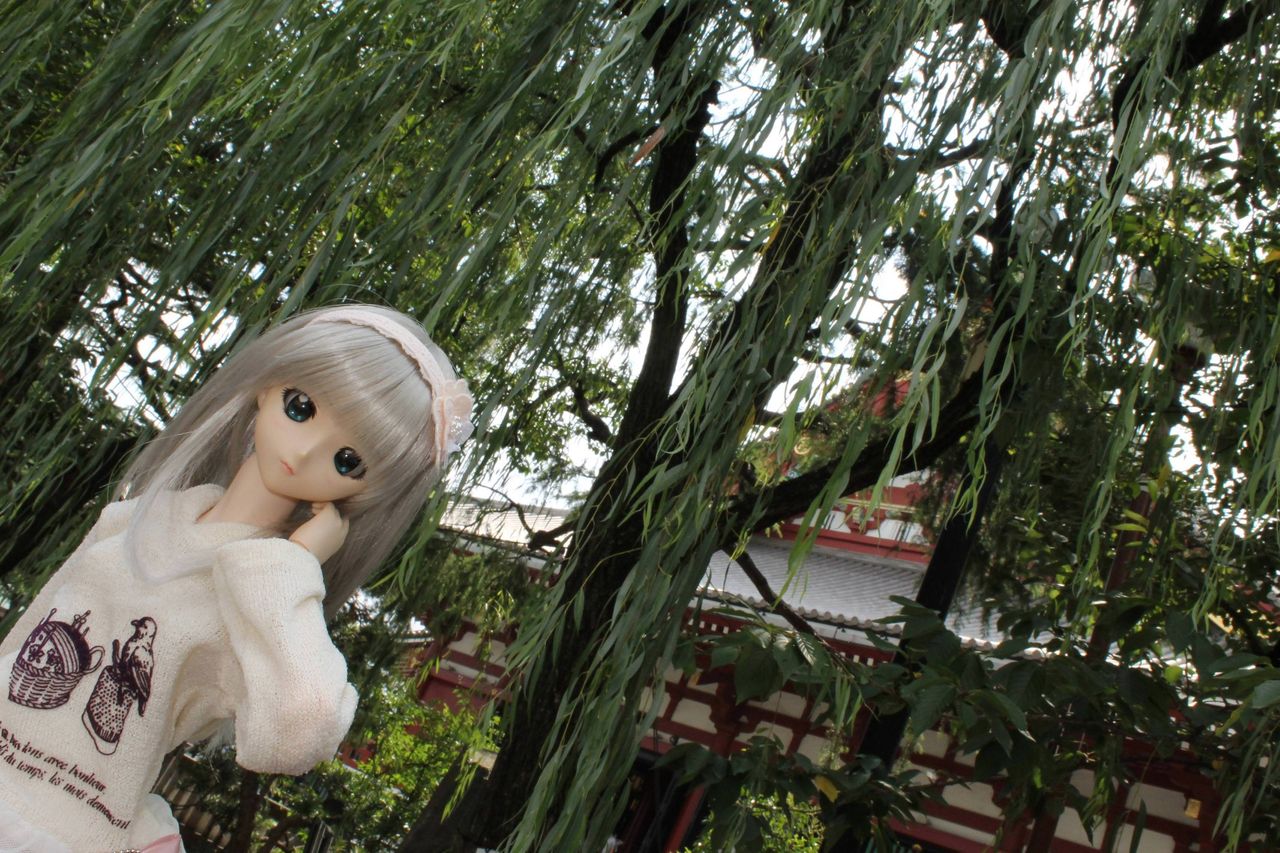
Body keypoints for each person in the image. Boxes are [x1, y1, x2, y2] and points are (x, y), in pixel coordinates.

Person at [0, 304, 472, 851]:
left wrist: (292, 565)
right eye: (301, 407)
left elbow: (300, 734)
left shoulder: (260, 595)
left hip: (62, 825)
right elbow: (23, 639)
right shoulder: (133, 519)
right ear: (267, 387)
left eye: (348, 460)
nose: (304, 451)